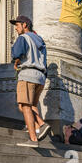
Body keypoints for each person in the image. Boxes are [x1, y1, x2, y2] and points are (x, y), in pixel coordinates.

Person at [10, 15, 51, 148]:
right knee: (27, 106)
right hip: (40, 76)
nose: (16, 28)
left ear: (24, 25)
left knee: (25, 106)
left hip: (27, 74)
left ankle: (34, 138)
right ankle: (40, 126)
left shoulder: (23, 38)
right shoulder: (39, 40)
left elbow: (16, 54)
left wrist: (16, 60)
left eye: (17, 25)